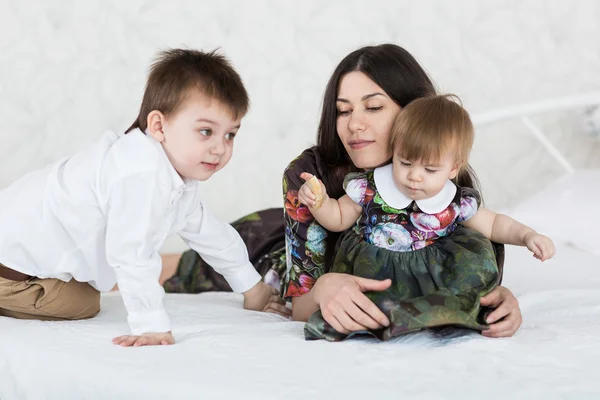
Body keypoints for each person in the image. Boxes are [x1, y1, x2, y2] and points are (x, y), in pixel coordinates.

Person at [164, 43, 524, 338]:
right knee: (180, 266)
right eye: (343, 110)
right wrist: (321, 290)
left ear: (415, 112)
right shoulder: (309, 176)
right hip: (266, 247)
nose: (354, 124)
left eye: (374, 107)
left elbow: (457, 265)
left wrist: (495, 299)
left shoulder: (437, 175)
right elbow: (300, 305)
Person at [0, 48, 286, 347]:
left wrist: (253, 288)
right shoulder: (138, 175)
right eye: (206, 131)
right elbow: (132, 254)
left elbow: (210, 233)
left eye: (230, 135)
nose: (220, 148)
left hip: (18, 247)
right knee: (82, 302)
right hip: (12, 270)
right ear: (159, 126)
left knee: (89, 290)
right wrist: (150, 325)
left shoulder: (169, 173)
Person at [297, 94, 554, 341]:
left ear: (453, 168)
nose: (415, 176)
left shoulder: (454, 203)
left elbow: (495, 223)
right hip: (376, 274)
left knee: (468, 293)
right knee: (355, 313)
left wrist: (527, 235)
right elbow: (338, 218)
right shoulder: (370, 187)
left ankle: (445, 315)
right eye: (405, 163)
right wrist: (320, 203)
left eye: (430, 169)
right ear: (394, 152)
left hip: (432, 276)